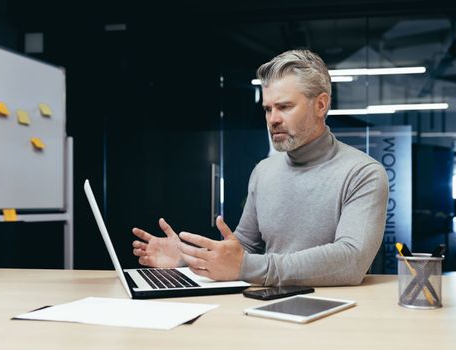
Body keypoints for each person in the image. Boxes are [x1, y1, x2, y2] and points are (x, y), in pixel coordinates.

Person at [132, 50, 389, 286]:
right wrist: (189, 257)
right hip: (270, 308)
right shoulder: (264, 171)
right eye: (268, 109)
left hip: (338, 317)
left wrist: (248, 267)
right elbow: (243, 249)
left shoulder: (363, 173)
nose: (273, 119)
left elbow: (351, 261)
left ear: (320, 105)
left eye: (285, 106)